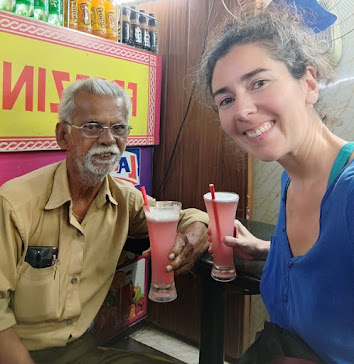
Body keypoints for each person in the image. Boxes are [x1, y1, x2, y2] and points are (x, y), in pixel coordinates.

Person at [0, 78, 209, 364]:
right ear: (63, 135)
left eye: (119, 128)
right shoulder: (14, 204)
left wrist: (195, 233)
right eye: (92, 127)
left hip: (80, 350)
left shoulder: (125, 200)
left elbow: (184, 216)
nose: (108, 139)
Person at [196, 3, 353, 364]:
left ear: (309, 83)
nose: (242, 110)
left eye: (259, 82)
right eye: (226, 99)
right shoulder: (291, 179)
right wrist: (270, 249)